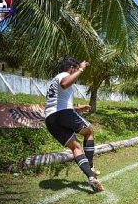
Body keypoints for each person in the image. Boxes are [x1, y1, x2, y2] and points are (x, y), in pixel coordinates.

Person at [44, 57, 103, 192]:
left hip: (51, 119)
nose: (77, 72)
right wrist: (81, 68)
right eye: (75, 69)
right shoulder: (64, 75)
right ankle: (91, 165)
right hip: (62, 114)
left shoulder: (54, 81)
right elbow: (65, 84)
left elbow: (56, 103)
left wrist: (77, 109)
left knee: (76, 147)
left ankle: (91, 178)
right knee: (89, 131)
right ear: (71, 68)